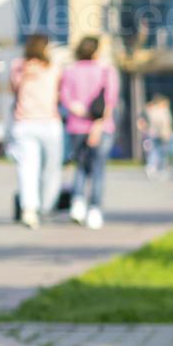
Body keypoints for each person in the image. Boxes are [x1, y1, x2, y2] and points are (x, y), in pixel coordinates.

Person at [58, 36, 120, 229]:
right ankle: (94, 209)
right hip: (101, 128)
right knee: (98, 168)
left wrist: (80, 111)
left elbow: (65, 98)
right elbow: (109, 101)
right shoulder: (106, 71)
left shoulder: (70, 71)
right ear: (96, 51)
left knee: (80, 167)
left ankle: (77, 204)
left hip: (76, 126)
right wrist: (97, 126)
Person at [7, 34, 64, 229]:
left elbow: (13, 89)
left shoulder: (18, 66)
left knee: (27, 169)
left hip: (23, 123)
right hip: (49, 122)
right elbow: (60, 93)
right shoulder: (53, 68)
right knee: (51, 168)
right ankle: (46, 206)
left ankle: (29, 209)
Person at [139, 94, 173, 180]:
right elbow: (164, 124)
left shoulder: (153, 111)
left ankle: (153, 167)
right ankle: (158, 169)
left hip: (155, 134)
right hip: (160, 135)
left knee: (155, 152)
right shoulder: (161, 111)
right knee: (160, 152)